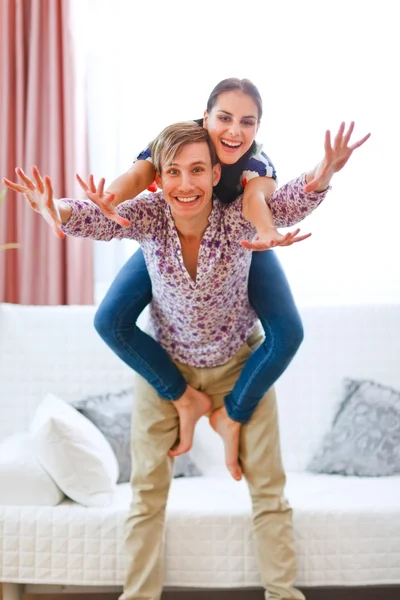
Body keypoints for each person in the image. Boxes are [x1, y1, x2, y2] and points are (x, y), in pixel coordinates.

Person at [5, 120, 369, 600]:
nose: (185, 184)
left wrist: (324, 171)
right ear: (159, 179)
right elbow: (98, 218)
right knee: (146, 498)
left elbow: (285, 203)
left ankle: (283, 594)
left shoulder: (238, 214)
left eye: (197, 170)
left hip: (239, 365)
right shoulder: (152, 215)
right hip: (166, 373)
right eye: (173, 172)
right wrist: (53, 208)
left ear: (217, 174)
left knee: (270, 497)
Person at [70, 78, 363, 462]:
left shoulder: (257, 161)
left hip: (243, 242)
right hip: (173, 239)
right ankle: (184, 399)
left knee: (289, 331)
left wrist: (269, 229)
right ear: (205, 116)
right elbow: (139, 177)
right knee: (109, 319)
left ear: (257, 128)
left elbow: (257, 199)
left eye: (247, 122)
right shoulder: (178, 143)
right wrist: (106, 199)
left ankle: (232, 415)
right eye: (224, 118)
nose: (234, 130)